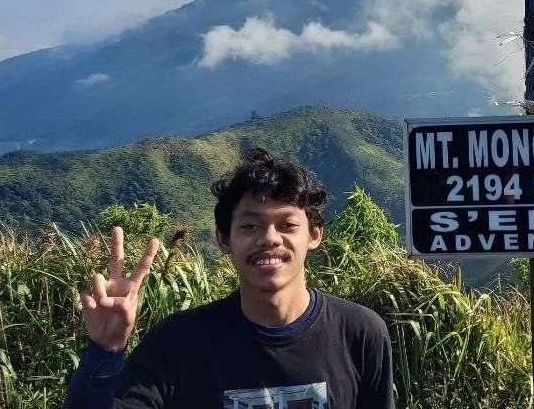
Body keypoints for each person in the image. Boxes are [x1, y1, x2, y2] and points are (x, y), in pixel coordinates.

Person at [66, 148, 394, 408]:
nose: (269, 238)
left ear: (315, 235)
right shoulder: (179, 344)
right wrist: (106, 351)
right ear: (224, 239)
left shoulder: (359, 334)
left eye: (287, 225)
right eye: (250, 226)